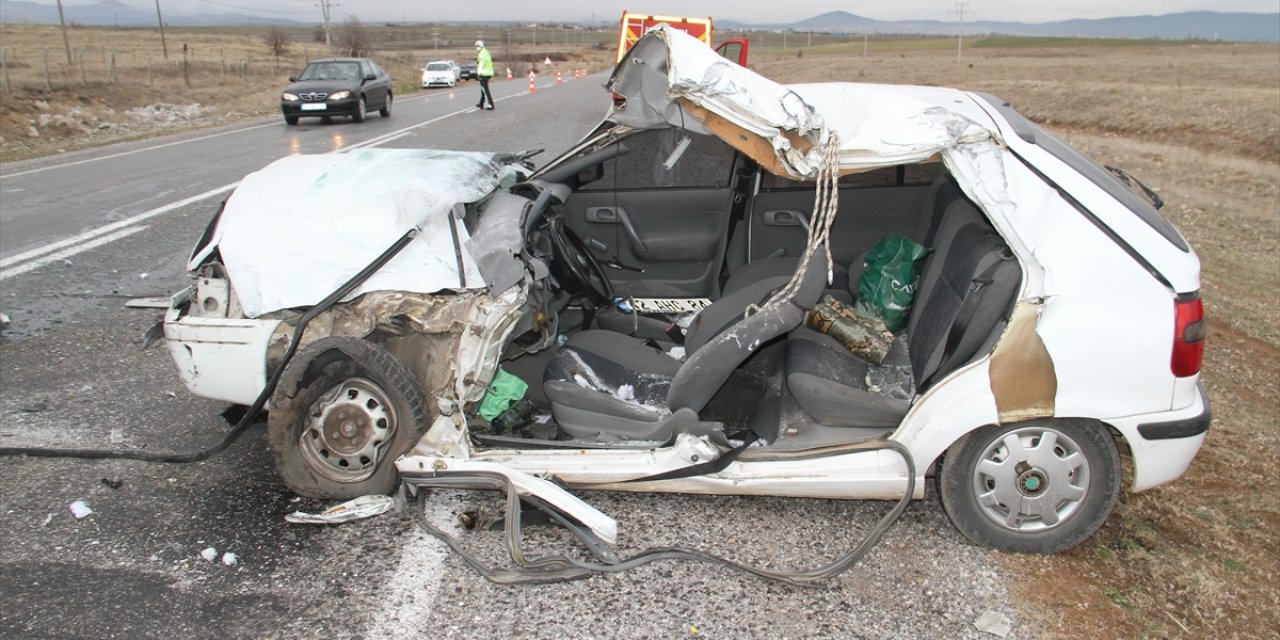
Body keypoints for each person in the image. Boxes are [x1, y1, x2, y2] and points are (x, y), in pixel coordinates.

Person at [475, 40, 495, 110]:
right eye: (476, 46)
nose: (476, 48)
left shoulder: (481, 54)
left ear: (481, 46)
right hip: (489, 72)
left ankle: (490, 104)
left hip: (484, 73)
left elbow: (481, 64)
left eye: (478, 46)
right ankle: (481, 103)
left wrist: (478, 74)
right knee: (483, 89)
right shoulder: (486, 52)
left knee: (485, 90)